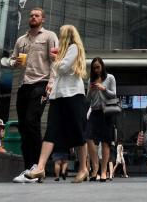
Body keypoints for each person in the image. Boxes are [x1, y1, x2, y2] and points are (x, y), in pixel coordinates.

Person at [14, 24, 90, 183]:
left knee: (78, 132)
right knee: (51, 131)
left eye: (62, 33)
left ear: (68, 35)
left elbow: (62, 68)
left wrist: (55, 59)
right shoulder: (64, 51)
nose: (60, 36)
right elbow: (58, 73)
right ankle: (40, 167)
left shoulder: (74, 48)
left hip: (73, 95)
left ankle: (83, 168)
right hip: (58, 95)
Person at [9, 7, 60, 169]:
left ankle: (38, 166)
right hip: (23, 85)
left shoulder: (49, 36)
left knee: (32, 121)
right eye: (31, 15)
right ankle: (28, 166)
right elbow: (11, 60)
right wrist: (14, 62)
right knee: (24, 126)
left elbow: (55, 61)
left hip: (41, 83)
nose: (33, 17)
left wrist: (51, 83)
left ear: (42, 19)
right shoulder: (21, 40)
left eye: (36, 15)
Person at [86, 57, 118, 181]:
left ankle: (104, 171)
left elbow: (114, 94)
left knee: (106, 141)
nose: (96, 70)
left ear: (102, 67)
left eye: (98, 67)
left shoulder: (110, 78)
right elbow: (88, 99)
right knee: (88, 137)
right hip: (94, 112)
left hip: (107, 112)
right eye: (94, 68)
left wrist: (103, 89)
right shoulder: (90, 80)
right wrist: (90, 90)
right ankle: (95, 167)